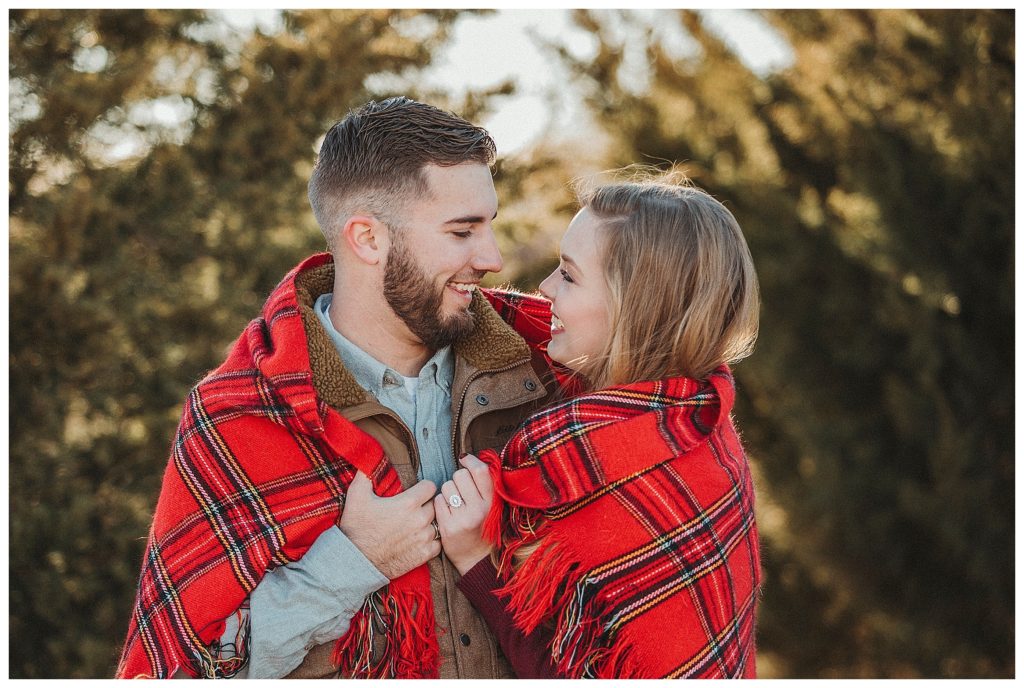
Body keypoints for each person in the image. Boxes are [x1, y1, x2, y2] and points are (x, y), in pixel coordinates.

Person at [115, 97, 557, 679]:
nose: (493, 258)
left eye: (490, 226)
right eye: (462, 231)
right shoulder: (240, 417)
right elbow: (179, 670)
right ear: (368, 239)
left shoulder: (548, 366)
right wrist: (353, 563)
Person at [432, 173, 763, 678]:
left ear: (633, 306)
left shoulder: (677, 470)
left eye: (568, 275)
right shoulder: (689, 412)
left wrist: (478, 560)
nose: (543, 287)